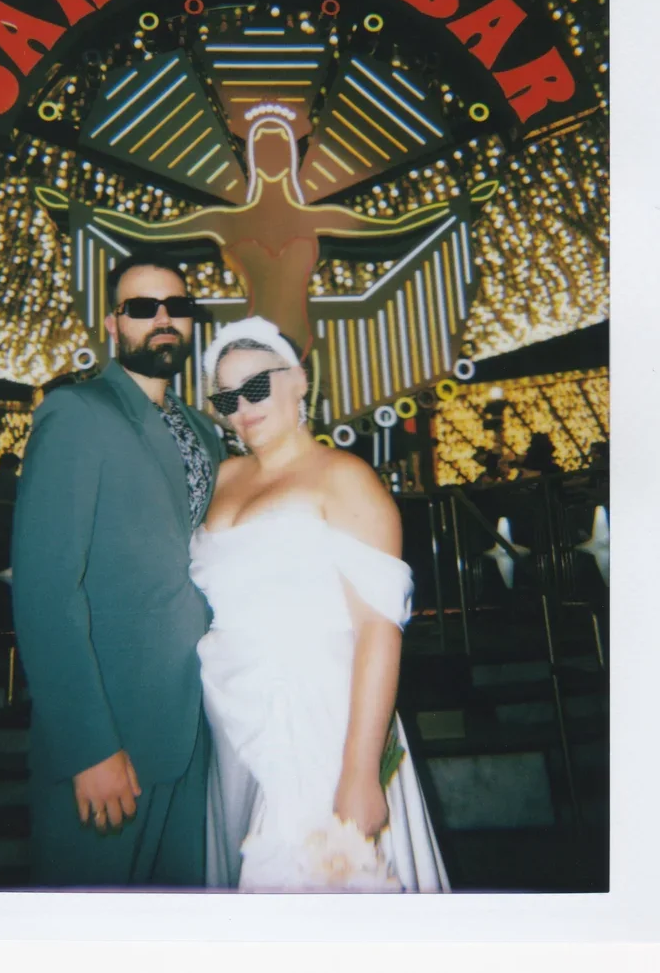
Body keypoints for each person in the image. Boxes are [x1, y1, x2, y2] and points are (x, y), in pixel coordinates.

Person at [188, 316, 449, 892]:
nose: (241, 408)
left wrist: (359, 772)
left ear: (299, 381)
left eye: (256, 387)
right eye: (227, 397)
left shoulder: (345, 478)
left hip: (320, 717)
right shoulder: (225, 476)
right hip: (233, 714)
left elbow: (379, 630)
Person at [11, 247, 224, 887]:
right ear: (113, 324)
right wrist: (89, 745)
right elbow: (47, 594)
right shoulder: (76, 414)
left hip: (195, 732)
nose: (162, 319)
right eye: (141, 307)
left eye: (176, 307)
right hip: (112, 739)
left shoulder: (204, 432)